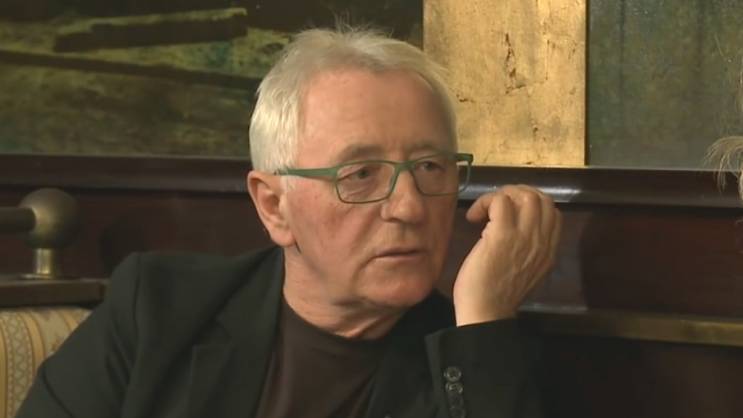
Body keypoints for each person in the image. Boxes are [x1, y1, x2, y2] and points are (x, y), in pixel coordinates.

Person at [17, 26, 561, 418]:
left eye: (429, 167)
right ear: (274, 206)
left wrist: (484, 318)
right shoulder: (157, 310)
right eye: (361, 174)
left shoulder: (474, 361)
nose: (409, 206)